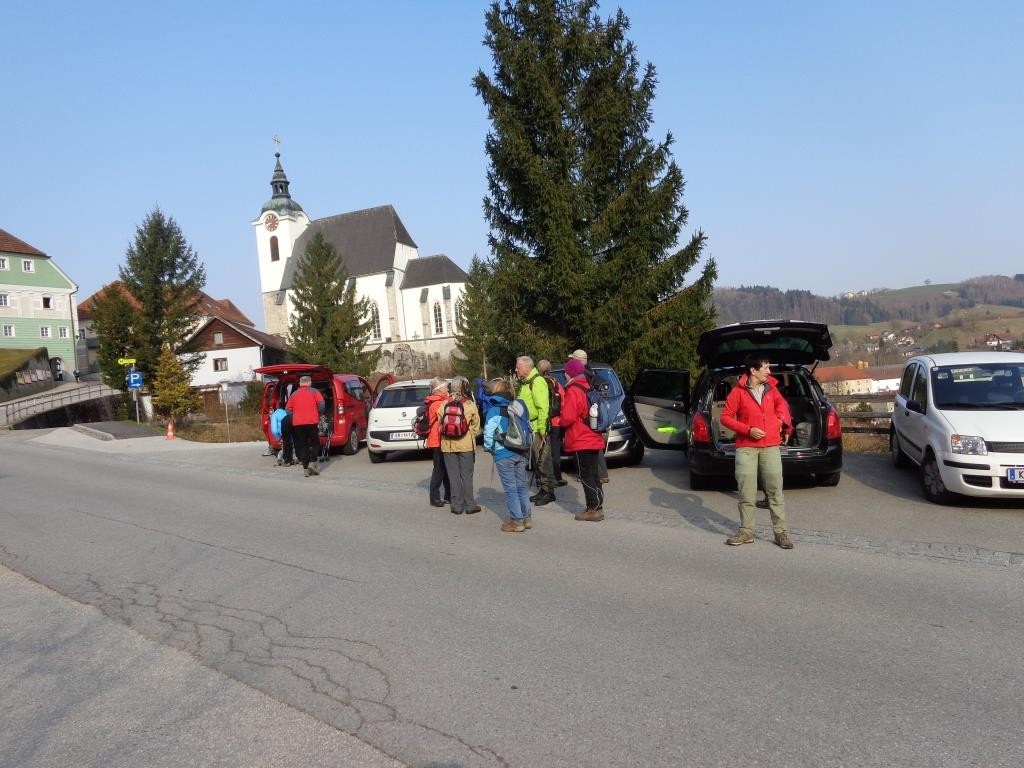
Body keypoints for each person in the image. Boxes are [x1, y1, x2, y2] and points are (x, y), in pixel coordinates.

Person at [719, 354, 795, 549]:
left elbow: (783, 407)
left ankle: (781, 533)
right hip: (746, 447)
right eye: (766, 367)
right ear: (753, 370)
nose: (769, 371)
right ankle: (746, 531)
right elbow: (725, 418)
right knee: (746, 492)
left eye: (769, 367)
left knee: (775, 491)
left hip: (771, 446)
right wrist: (747, 430)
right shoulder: (737, 392)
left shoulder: (772, 388)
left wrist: (784, 425)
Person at [483, 378, 532, 532]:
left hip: (503, 452)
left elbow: (488, 433)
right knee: (522, 486)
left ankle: (516, 521)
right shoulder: (517, 407)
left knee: (510, 488)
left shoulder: (494, 410)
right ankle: (526, 517)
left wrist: (489, 448)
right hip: (521, 451)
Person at [561, 357, 606, 521]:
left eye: (566, 372)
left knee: (586, 474)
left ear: (570, 373)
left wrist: (559, 420)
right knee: (594, 474)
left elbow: (568, 417)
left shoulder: (574, 390)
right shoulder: (588, 386)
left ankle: (592, 508)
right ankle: (598, 505)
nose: (565, 375)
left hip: (581, 438)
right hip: (593, 436)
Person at [515, 355, 555, 505]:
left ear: (526, 367)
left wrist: (542, 430)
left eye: (518, 367)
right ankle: (543, 490)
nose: (516, 370)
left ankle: (549, 491)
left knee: (543, 460)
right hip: (529, 427)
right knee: (537, 461)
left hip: (538, 429)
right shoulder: (526, 383)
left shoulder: (537, 382)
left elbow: (543, 407)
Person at [441, 376, 481, 515]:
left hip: (448, 445)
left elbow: (441, 419)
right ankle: (470, 504)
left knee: (453, 476)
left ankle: (456, 506)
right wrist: (471, 434)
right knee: (467, 476)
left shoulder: (445, 403)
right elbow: (476, 424)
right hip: (466, 445)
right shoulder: (469, 404)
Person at [569, 349, 609, 483]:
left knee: (588, 448)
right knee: (595, 444)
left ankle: (587, 475)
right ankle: (602, 474)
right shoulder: (591, 371)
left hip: (586, 415)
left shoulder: (582, 374)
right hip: (595, 412)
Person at [286, 375, 326, 477]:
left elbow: (287, 410)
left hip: (298, 424)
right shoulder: (314, 392)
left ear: (300, 383)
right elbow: (322, 404)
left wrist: (294, 416)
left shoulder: (294, 394)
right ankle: (312, 462)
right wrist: (318, 413)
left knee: (303, 445)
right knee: (315, 442)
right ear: (310, 383)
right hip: (312, 421)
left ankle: (305, 469)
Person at [538, 359, 567, 487]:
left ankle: (542, 479)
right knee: (555, 451)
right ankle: (557, 477)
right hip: (556, 421)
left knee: (541, 451)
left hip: (542, 422)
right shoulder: (556, 383)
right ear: (550, 369)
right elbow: (563, 401)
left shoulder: (537, 383)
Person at [424, 377, 452, 507]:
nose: (448, 389)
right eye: (446, 387)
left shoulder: (438, 400)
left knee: (445, 468)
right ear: (439, 389)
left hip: (438, 439)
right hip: (437, 440)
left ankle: (448, 495)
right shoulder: (437, 403)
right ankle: (434, 497)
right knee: (439, 470)